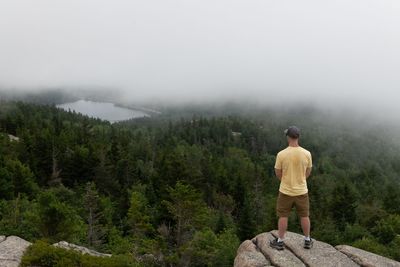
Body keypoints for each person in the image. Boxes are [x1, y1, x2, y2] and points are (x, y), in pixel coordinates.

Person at [270, 126, 313, 250]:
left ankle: (280, 241)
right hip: (302, 191)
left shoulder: (281, 154)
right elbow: (308, 171)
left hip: (285, 191)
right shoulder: (307, 153)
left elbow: (278, 172)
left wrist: (286, 181)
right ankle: (307, 240)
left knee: (283, 216)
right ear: (298, 137)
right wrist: (301, 180)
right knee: (304, 215)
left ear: (288, 137)